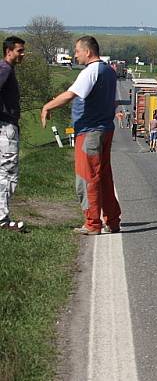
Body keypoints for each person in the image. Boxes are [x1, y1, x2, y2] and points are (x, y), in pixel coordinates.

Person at [41, 36, 121, 235]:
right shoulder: (109, 71)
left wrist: (47, 106)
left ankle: (92, 223)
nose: (75, 55)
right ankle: (112, 220)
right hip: (105, 128)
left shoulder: (90, 72)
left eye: (77, 51)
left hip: (90, 131)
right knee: (104, 176)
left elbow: (70, 95)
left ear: (88, 51)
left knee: (87, 177)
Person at [0, 36, 25, 232]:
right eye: (20, 51)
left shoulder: (7, 70)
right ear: (9, 51)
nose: (22, 54)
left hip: (8, 125)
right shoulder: (5, 69)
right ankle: (2, 219)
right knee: (8, 173)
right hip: (6, 127)